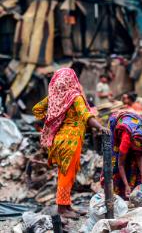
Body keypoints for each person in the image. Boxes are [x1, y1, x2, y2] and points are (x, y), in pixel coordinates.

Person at [32, 68, 108, 219]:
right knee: (66, 175)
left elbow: (37, 109)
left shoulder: (55, 97)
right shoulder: (75, 97)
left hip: (59, 140)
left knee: (67, 173)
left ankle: (67, 205)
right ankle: (62, 208)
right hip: (71, 141)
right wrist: (100, 127)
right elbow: (86, 115)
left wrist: (52, 120)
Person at [107, 111, 142, 199]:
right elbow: (120, 164)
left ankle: (132, 188)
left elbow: (139, 155)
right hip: (119, 123)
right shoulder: (126, 140)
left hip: (134, 123)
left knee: (135, 167)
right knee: (114, 163)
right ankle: (119, 192)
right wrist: (126, 185)